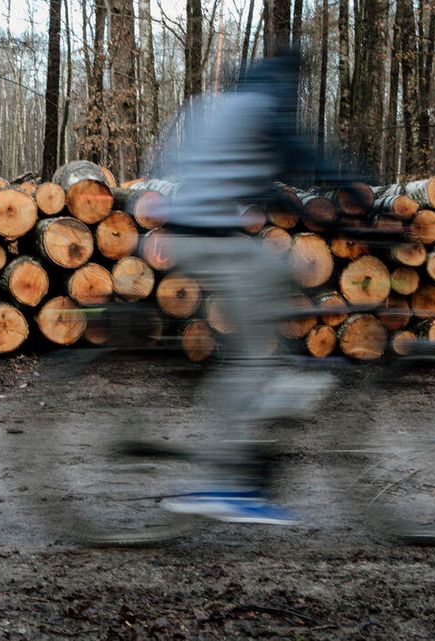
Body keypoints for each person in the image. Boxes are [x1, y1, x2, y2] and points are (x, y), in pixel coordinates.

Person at [156, 54, 337, 525]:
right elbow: (303, 157)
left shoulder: (217, 108)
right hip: (208, 238)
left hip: (182, 230)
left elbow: (247, 175)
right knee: (252, 354)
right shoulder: (261, 106)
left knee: (277, 269)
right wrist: (359, 189)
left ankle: (267, 391)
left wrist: (289, 202)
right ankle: (232, 485)